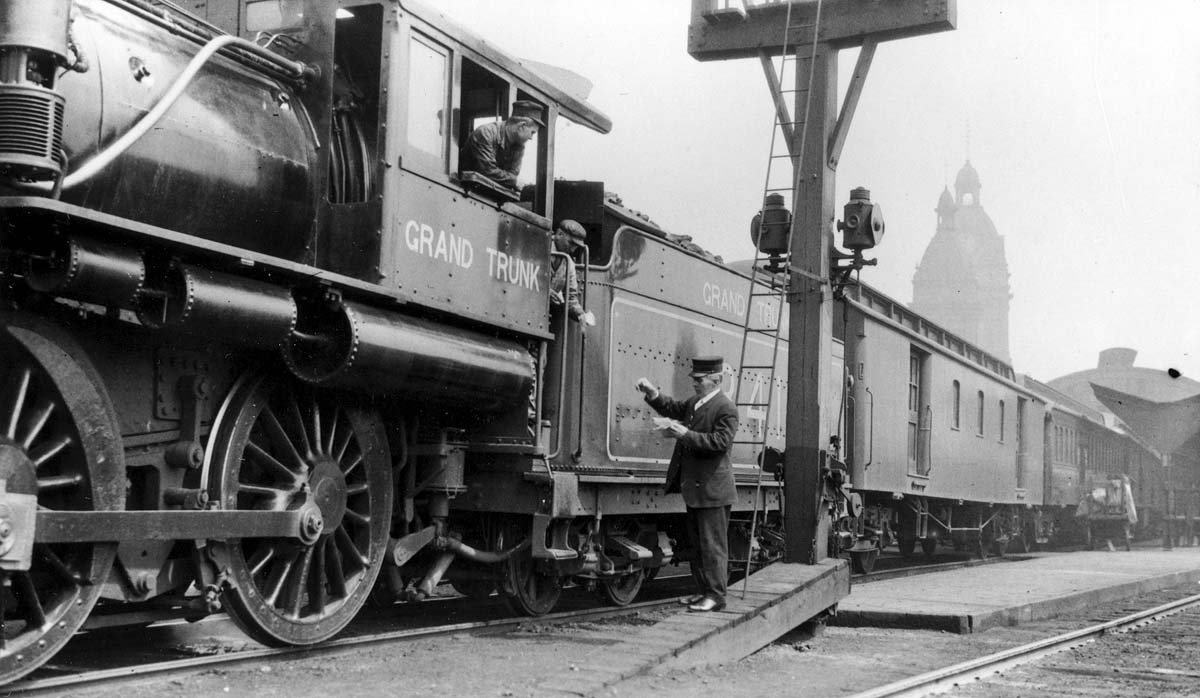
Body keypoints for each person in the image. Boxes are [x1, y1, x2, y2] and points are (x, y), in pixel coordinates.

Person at [636, 356, 738, 612]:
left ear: (716, 380)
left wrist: (684, 434)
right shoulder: (696, 403)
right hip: (696, 489)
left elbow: (719, 443)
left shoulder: (726, 408)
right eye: (694, 379)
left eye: (700, 380)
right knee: (698, 545)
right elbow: (673, 407)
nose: (695, 383)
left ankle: (716, 596)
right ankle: (703, 592)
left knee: (713, 547)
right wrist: (653, 394)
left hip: (713, 490)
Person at [460, 100, 544, 190]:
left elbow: (511, 175)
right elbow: (487, 170)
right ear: (522, 125)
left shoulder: (519, 147)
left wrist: (511, 180)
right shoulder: (486, 133)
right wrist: (514, 181)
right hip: (461, 189)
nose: (531, 138)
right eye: (532, 132)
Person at [549, 220, 595, 327]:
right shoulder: (540, 245)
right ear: (559, 234)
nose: (573, 250)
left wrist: (581, 314)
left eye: (576, 246)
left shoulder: (568, 262)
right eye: (570, 243)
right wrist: (545, 291)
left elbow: (571, 298)